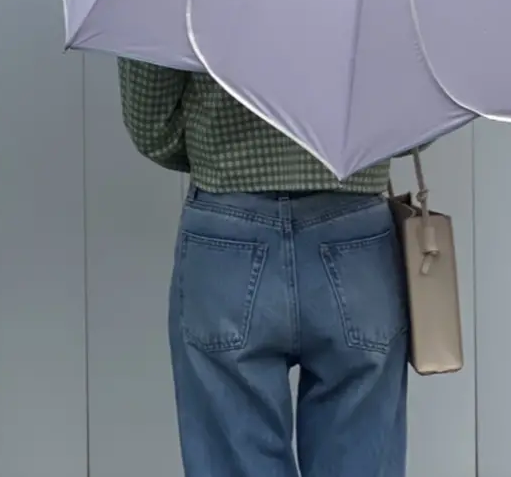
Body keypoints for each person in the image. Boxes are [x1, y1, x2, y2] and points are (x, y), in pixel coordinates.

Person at [119, 58, 407, 477]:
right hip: (354, 235)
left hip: (228, 234)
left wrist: (222, 147)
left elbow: (151, 125)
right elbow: (417, 118)